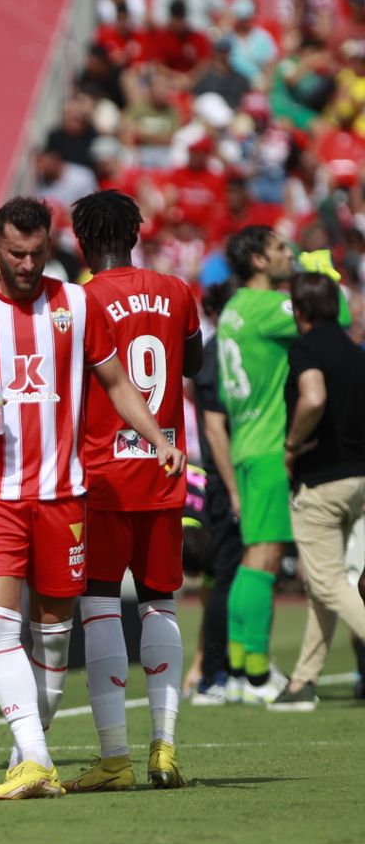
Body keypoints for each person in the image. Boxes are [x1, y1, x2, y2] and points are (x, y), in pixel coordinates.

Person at [0, 196, 185, 800]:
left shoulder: (77, 304)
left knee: (54, 634)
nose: (27, 264)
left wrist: (157, 440)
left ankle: (29, 751)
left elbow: (117, 383)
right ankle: (37, 759)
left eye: (38, 253)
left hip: (65, 496)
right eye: (16, 253)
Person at [68, 190, 201, 792]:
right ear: (137, 234)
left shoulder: (81, 299)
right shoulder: (176, 292)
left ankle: (115, 757)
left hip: (101, 473)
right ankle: (165, 749)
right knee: (160, 601)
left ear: (80, 242)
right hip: (164, 466)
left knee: (98, 604)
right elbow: (193, 361)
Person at [216, 227, 350, 703]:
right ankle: (256, 674)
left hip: (245, 443)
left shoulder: (233, 309)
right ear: (256, 260)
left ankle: (237, 667)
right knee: (266, 558)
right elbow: (339, 315)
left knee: (254, 555)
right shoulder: (266, 307)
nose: (288, 254)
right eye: (277, 249)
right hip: (273, 445)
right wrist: (323, 272)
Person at [273, 273, 365, 709]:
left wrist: (290, 447)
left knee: (328, 584)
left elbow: (312, 398)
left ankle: (302, 682)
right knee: (333, 585)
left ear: (300, 310)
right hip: (361, 481)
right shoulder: (355, 351)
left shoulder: (306, 348)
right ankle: (302, 682)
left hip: (323, 482)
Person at [190, 282, 241, 705]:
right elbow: (214, 428)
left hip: (233, 474)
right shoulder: (214, 354)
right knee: (223, 574)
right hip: (220, 478)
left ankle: (238, 666)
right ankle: (212, 673)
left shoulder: (230, 351)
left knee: (242, 573)